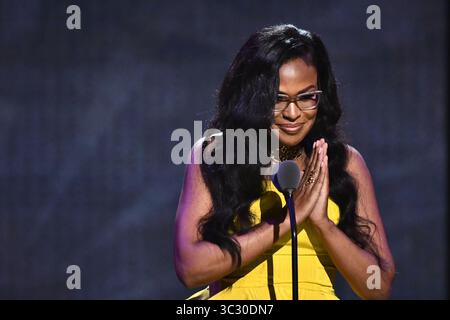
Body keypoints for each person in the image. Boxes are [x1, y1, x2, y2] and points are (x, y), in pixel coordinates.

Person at [173, 24, 395, 300]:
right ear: (254, 97)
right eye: (278, 99)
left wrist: (323, 223)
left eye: (306, 97)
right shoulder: (218, 153)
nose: (293, 113)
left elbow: (379, 286)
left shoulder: (344, 163)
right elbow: (190, 268)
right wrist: (288, 219)